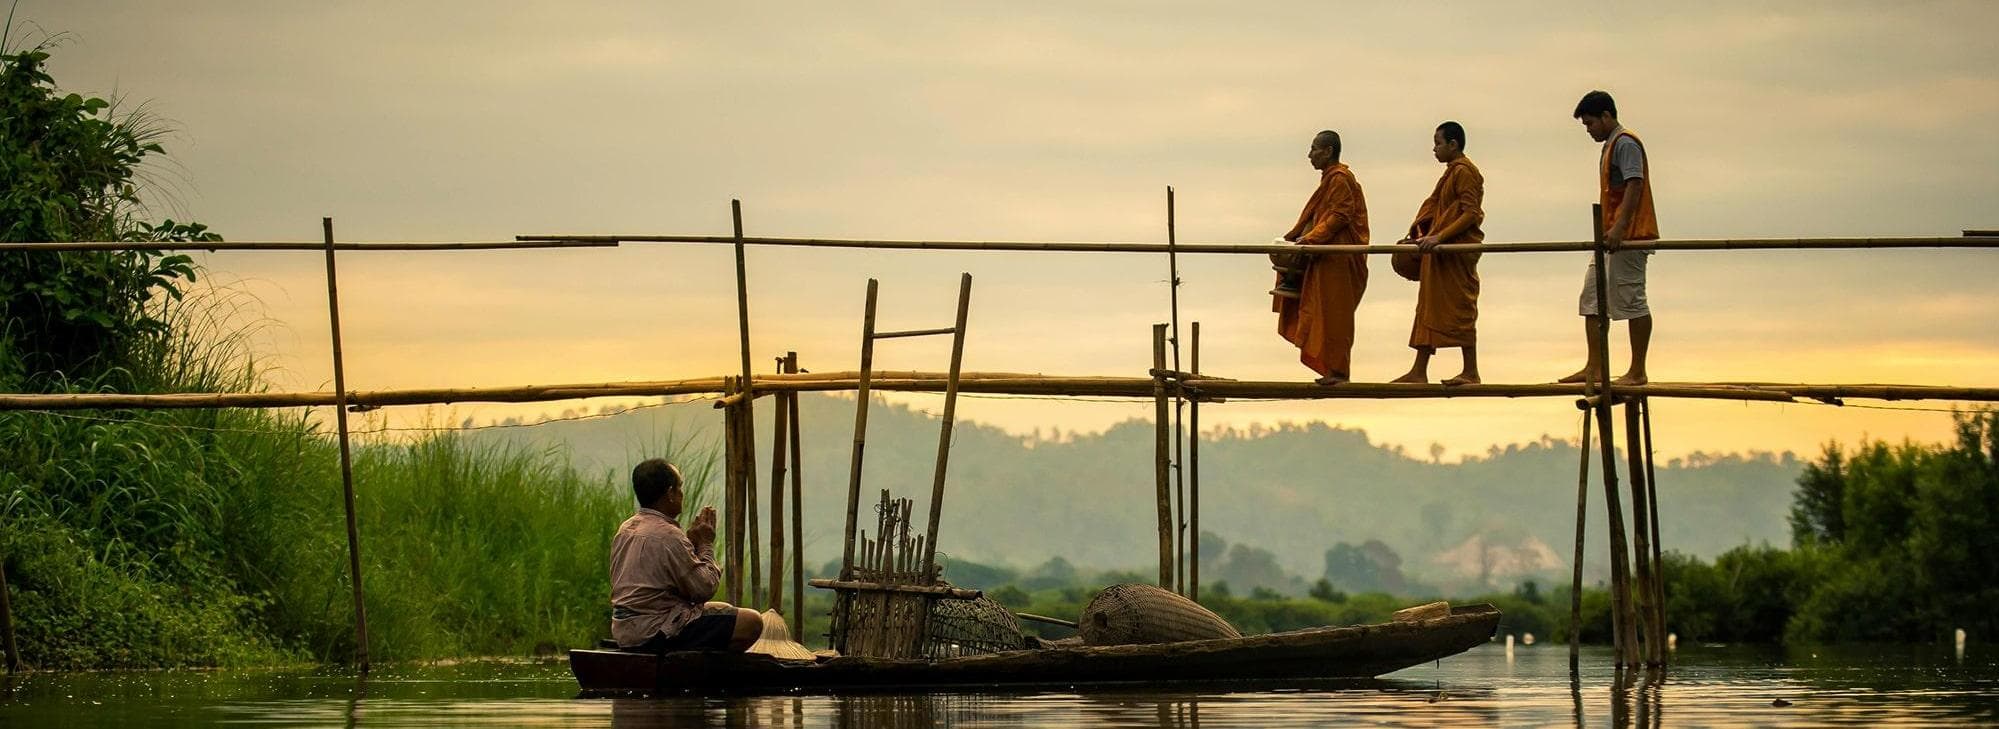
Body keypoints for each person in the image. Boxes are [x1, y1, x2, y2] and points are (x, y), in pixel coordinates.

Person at [609, 458, 762, 652]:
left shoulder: (626, 528)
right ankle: (701, 671)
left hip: (626, 632)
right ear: (670, 493)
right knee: (752, 621)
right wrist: (705, 543)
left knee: (722, 608)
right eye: (679, 488)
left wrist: (691, 543)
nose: (682, 493)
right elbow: (704, 588)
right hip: (655, 632)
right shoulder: (668, 535)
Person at [1560, 90, 1659, 386]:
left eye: (1590, 124)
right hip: (1610, 236)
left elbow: (1634, 184)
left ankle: (1637, 371)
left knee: (1631, 300)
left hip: (1629, 236)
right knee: (1592, 299)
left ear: (1606, 116)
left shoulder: (1625, 143)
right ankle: (1595, 367)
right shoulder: (1610, 145)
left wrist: (1620, 228)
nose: (1589, 130)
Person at [1274, 129, 1371, 385]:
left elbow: (1340, 216)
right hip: (1327, 256)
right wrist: (1296, 237)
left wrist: (1309, 240)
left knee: (1335, 314)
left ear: (1328, 151)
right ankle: (1333, 370)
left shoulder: (1340, 179)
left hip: (1339, 258)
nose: (1310, 155)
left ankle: (1339, 372)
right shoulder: (1330, 180)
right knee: (1324, 312)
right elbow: (1318, 217)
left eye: (1314, 149)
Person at [1392, 121, 1485, 386]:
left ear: (1453, 144)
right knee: (1428, 308)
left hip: (1456, 252)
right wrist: (1419, 237)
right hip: (1439, 253)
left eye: (1438, 143)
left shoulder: (1466, 172)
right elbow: (1436, 210)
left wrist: (1439, 237)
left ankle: (1471, 371)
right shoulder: (1450, 173)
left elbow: (1471, 213)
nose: (1434, 149)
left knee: (1461, 309)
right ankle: (1419, 370)